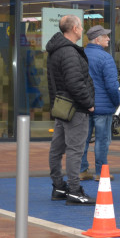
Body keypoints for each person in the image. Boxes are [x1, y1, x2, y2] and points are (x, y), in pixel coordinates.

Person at [45, 14, 95, 205]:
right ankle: (74, 190)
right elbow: (75, 82)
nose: (82, 30)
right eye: (81, 26)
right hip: (75, 108)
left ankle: (58, 186)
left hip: (61, 106)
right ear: (74, 29)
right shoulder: (69, 52)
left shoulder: (56, 50)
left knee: (57, 148)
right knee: (75, 149)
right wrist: (89, 103)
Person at [79, 25, 120, 181]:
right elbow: (111, 85)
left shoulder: (81, 55)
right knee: (102, 141)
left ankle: (82, 170)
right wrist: (116, 101)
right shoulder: (105, 58)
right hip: (103, 108)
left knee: (83, 140)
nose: (108, 39)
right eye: (105, 36)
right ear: (97, 39)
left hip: (84, 105)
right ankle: (101, 172)